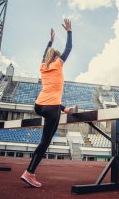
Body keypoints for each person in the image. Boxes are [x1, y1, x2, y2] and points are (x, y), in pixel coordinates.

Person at [20, 19, 77, 188]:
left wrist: (50, 41)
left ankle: (65, 108)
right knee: (45, 142)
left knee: (45, 137)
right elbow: (69, 49)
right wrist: (69, 31)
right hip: (51, 108)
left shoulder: (43, 66)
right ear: (57, 58)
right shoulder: (58, 64)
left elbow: (44, 54)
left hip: (39, 106)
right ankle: (29, 173)